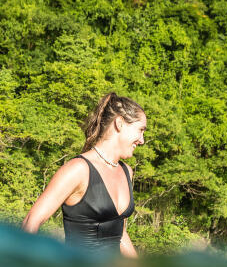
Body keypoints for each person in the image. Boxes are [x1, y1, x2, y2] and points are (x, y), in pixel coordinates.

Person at [22, 92, 145, 258]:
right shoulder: (78, 169)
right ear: (120, 124)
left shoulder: (126, 172)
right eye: (140, 130)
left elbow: (120, 232)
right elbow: (31, 221)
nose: (142, 140)